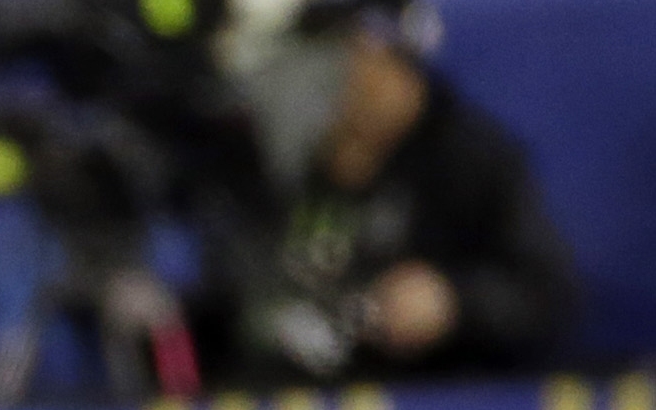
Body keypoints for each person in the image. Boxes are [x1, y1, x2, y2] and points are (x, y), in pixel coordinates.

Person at [214, 0, 577, 384]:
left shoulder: (467, 159)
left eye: (348, 53)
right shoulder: (280, 159)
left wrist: (453, 303)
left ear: (392, 62)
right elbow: (233, 296)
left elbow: (547, 297)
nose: (326, 77)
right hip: (284, 405)